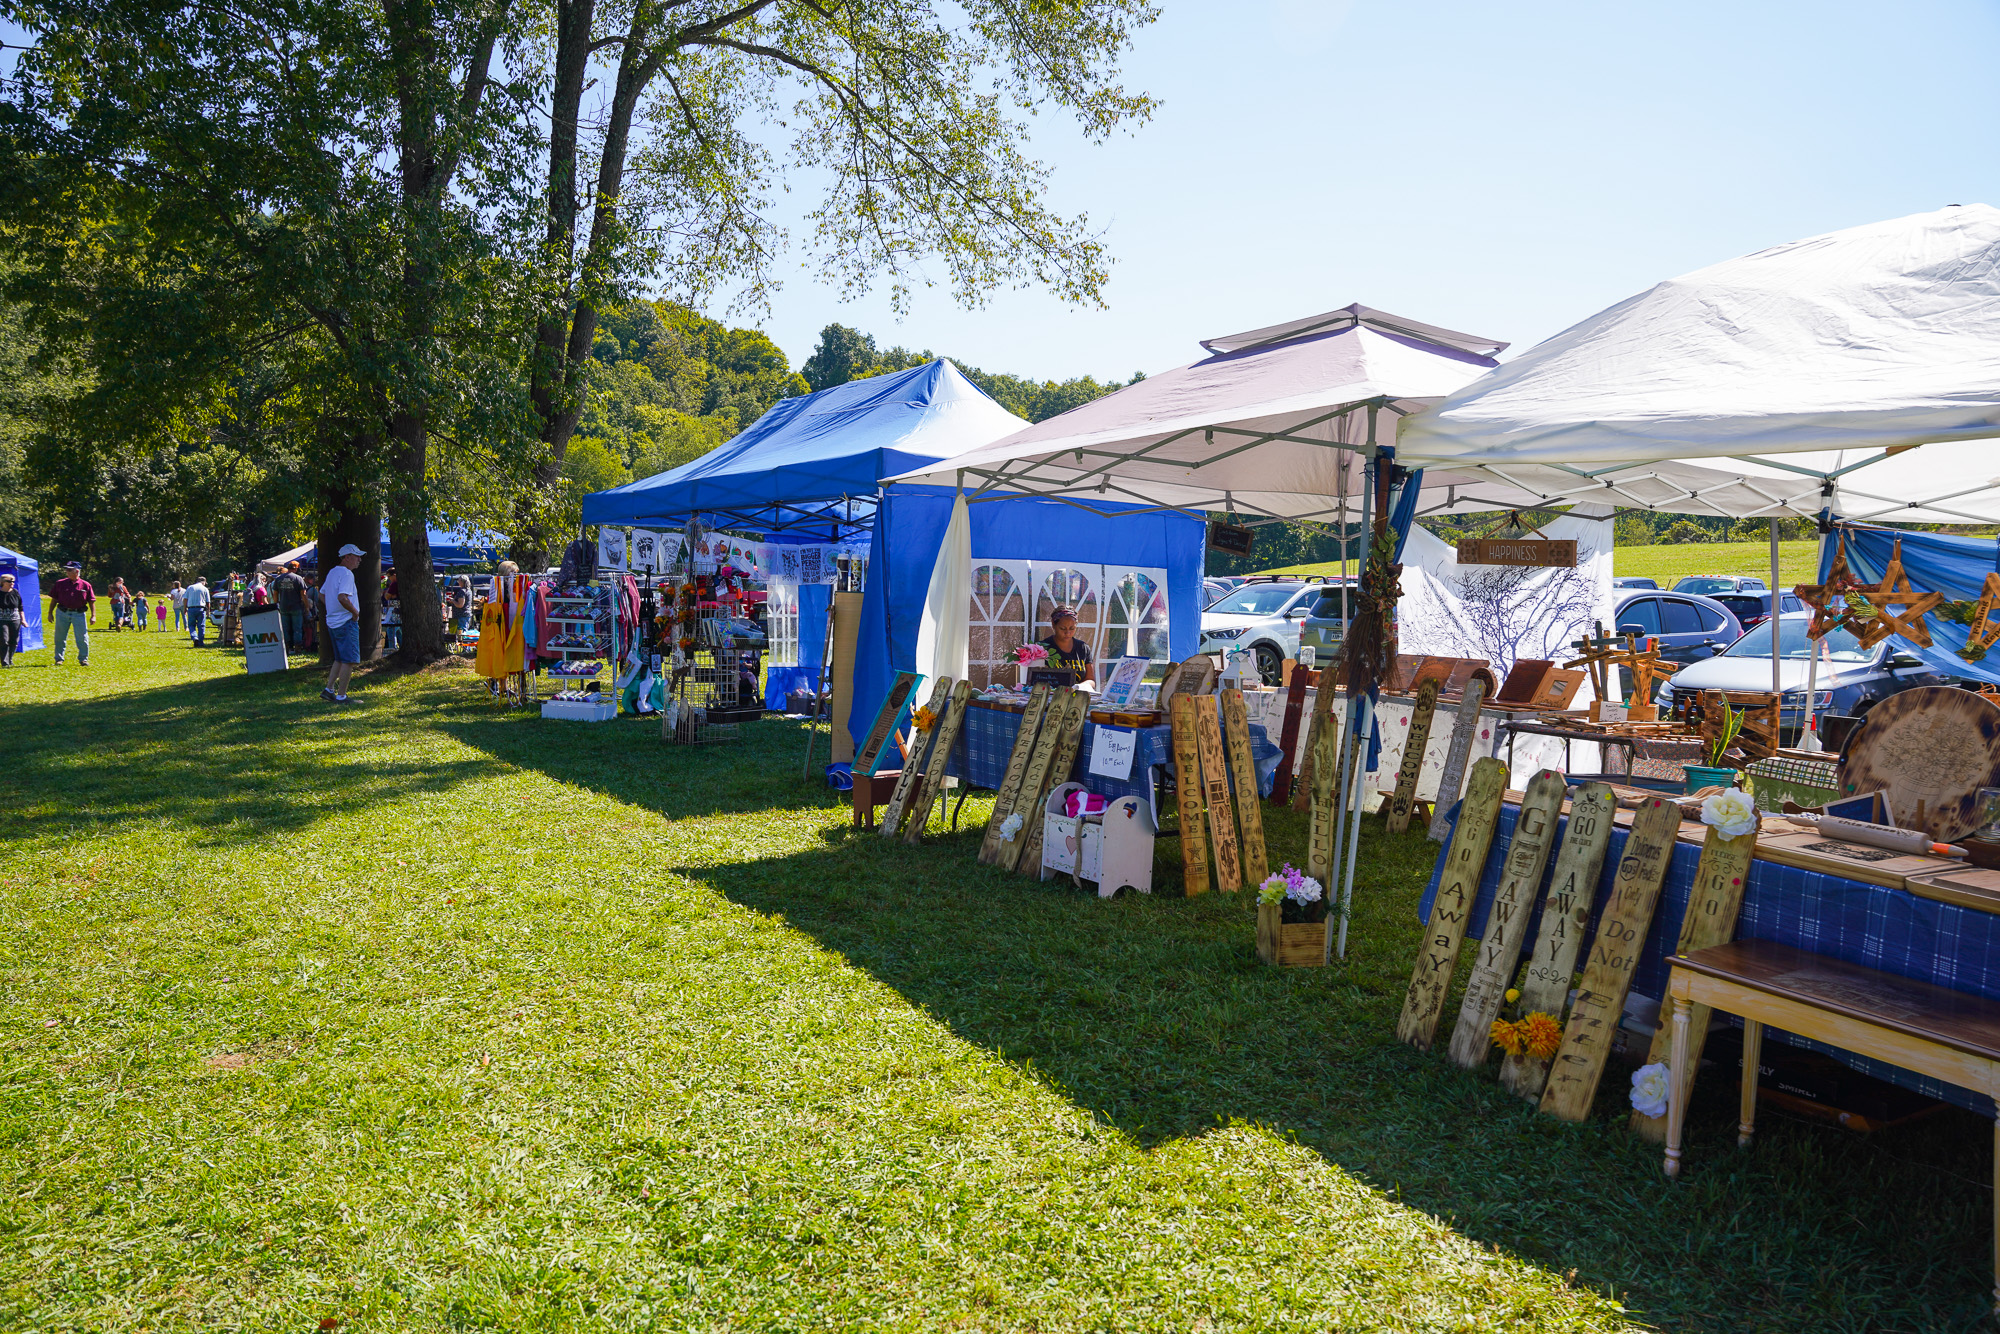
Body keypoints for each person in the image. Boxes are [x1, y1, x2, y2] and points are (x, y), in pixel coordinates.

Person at [321, 543, 363, 703]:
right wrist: (355, 612)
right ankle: (341, 696)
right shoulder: (346, 574)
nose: (359, 559)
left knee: (339, 658)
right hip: (346, 622)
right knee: (349, 660)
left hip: (332, 621)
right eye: (356, 556)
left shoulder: (332, 572)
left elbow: (322, 595)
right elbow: (343, 597)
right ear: (346, 557)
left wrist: (332, 609)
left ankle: (329, 689)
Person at [1037, 605, 1096, 682]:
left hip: (1077, 693)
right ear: (1053, 624)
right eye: (1062, 628)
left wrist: (1081, 687)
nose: (1068, 633)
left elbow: (1090, 679)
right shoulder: (1041, 649)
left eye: (1072, 628)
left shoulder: (1083, 648)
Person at [50, 560, 93, 665]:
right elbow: (54, 599)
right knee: (60, 637)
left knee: (82, 637)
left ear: (77, 571)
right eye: (66, 570)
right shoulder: (60, 583)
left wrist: (93, 616)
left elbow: (91, 601)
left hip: (79, 614)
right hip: (62, 612)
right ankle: (59, 659)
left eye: (69, 570)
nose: (67, 572)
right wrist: (50, 612)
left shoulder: (85, 585)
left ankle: (83, 659)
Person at [272, 561, 307, 649]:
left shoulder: (279, 578)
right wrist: (307, 606)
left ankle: (286, 647)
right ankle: (298, 648)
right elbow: (303, 594)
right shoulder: (298, 578)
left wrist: (276, 605)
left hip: (283, 606)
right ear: (295, 568)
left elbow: (275, 594)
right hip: (296, 607)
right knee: (297, 629)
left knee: (285, 629)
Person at [0, 572, 21, 667]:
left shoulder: (15, 592)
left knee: (14, 641)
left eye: (13, 581)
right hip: (2, 620)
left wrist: (23, 620)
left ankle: (10, 659)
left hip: (15, 619)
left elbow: (21, 607)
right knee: (4, 640)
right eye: (9, 581)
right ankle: (4, 662)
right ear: (3, 582)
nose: (12, 583)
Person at [183, 576, 210, 645]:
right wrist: (208, 610)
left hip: (191, 608)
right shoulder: (205, 589)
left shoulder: (190, 587)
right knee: (201, 626)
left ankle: (194, 637)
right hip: (201, 608)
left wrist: (184, 609)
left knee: (191, 625)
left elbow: (185, 599)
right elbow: (208, 601)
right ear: (203, 582)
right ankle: (200, 642)